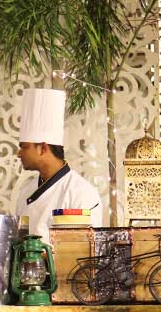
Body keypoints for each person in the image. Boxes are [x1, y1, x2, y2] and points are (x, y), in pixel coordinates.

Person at [14, 88, 103, 239]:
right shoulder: (25, 192)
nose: (18, 153)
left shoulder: (82, 194)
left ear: (42, 148)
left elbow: (85, 247)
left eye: (24, 147)